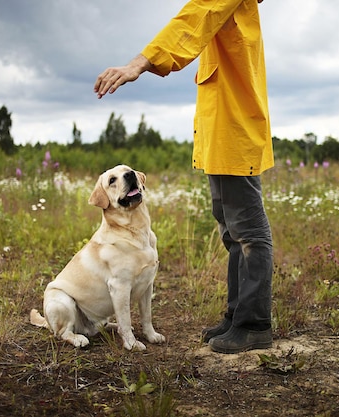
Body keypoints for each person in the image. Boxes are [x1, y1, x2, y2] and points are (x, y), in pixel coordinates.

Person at [94, 0, 273, 354]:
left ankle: (254, 325)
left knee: (249, 232)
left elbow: (195, 18)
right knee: (231, 229)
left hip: (234, 130)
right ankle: (238, 317)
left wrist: (139, 63)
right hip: (221, 132)